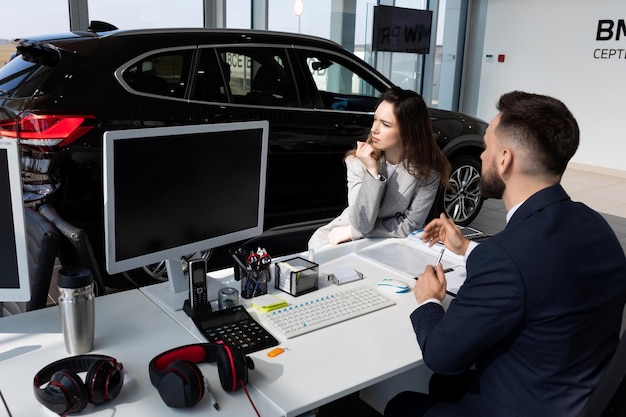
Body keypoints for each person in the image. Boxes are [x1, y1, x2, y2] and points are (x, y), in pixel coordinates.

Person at [385, 91, 626, 417]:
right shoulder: (596, 225)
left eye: (486, 147)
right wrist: (467, 249)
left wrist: (428, 300)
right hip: (571, 396)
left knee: (402, 404)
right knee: (443, 386)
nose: (481, 156)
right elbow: (536, 272)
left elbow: (441, 356)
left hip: (516, 406)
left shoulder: (506, 256)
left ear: (504, 159)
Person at [308, 86, 450, 250]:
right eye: (375, 119)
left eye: (385, 124)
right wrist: (372, 173)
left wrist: (353, 232)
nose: (374, 129)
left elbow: (410, 224)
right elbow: (362, 221)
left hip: (389, 243)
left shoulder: (427, 173)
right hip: (340, 236)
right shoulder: (357, 161)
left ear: (409, 131)